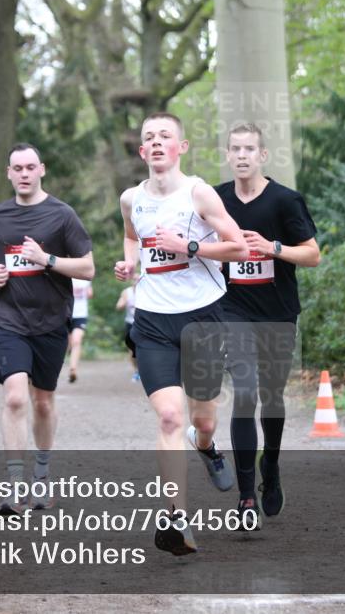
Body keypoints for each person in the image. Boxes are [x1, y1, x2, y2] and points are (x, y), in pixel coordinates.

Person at [114, 112, 248, 555]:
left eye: (164, 137)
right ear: (141, 151)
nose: (156, 143)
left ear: (181, 147)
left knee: (202, 420)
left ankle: (206, 446)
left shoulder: (199, 194)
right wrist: (130, 262)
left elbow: (239, 247)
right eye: (148, 138)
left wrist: (189, 246)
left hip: (203, 317)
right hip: (152, 319)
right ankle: (177, 519)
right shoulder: (131, 198)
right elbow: (132, 236)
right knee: (170, 416)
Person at [0, 142, 94, 515]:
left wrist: (48, 259)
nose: (24, 174)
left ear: (41, 170)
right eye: (17, 168)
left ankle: (41, 477)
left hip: (51, 321)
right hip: (9, 319)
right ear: (9, 173)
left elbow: (88, 267)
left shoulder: (62, 215)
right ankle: (14, 487)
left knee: (43, 401)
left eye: (30, 167)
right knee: (14, 397)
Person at [215, 123, 320, 529]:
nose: (242, 155)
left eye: (249, 149)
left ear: (262, 156)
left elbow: (313, 255)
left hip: (277, 313)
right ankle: (245, 499)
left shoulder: (285, 200)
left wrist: (272, 248)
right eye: (235, 148)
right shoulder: (217, 198)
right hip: (233, 310)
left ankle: (270, 466)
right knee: (245, 393)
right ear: (228, 155)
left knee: (271, 396)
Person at [115, 273, 140, 382]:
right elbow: (118, 306)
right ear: (131, 281)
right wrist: (123, 303)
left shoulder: (147, 292)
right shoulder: (126, 292)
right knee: (132, 350)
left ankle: (145, 371)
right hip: (130, 323)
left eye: (138, 279)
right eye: (134, 279)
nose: (136, 281)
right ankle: (136, 371)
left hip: (144, 324)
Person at [67, 278, 93, 383]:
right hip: (66, 314)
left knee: (76, 340)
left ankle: (73, 370)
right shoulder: (66, 275)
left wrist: (88, 292)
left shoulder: (85, 277)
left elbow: (90, 293)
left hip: (80, 314)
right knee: (68, 344)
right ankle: (70, 355)